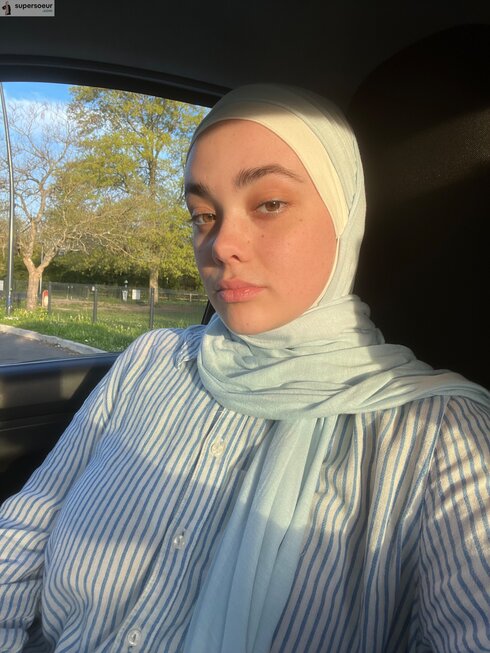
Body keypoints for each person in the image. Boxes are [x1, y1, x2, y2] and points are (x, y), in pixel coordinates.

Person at [0, 84, 489, 653]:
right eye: (203, 215)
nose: (221, 244)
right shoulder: (152, 360)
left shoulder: (442, 438)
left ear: (345, 215)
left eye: (269, 204)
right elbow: (25, 529)